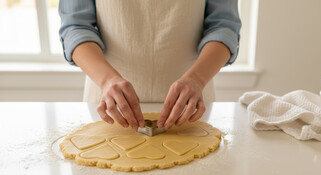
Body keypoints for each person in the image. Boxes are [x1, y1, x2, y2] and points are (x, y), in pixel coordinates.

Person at [59, 0, 241, 130]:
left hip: (190, 105)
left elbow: (224, 27)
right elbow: (76, 27)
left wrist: (197, 79)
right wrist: (107, 80)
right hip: (110, 104)